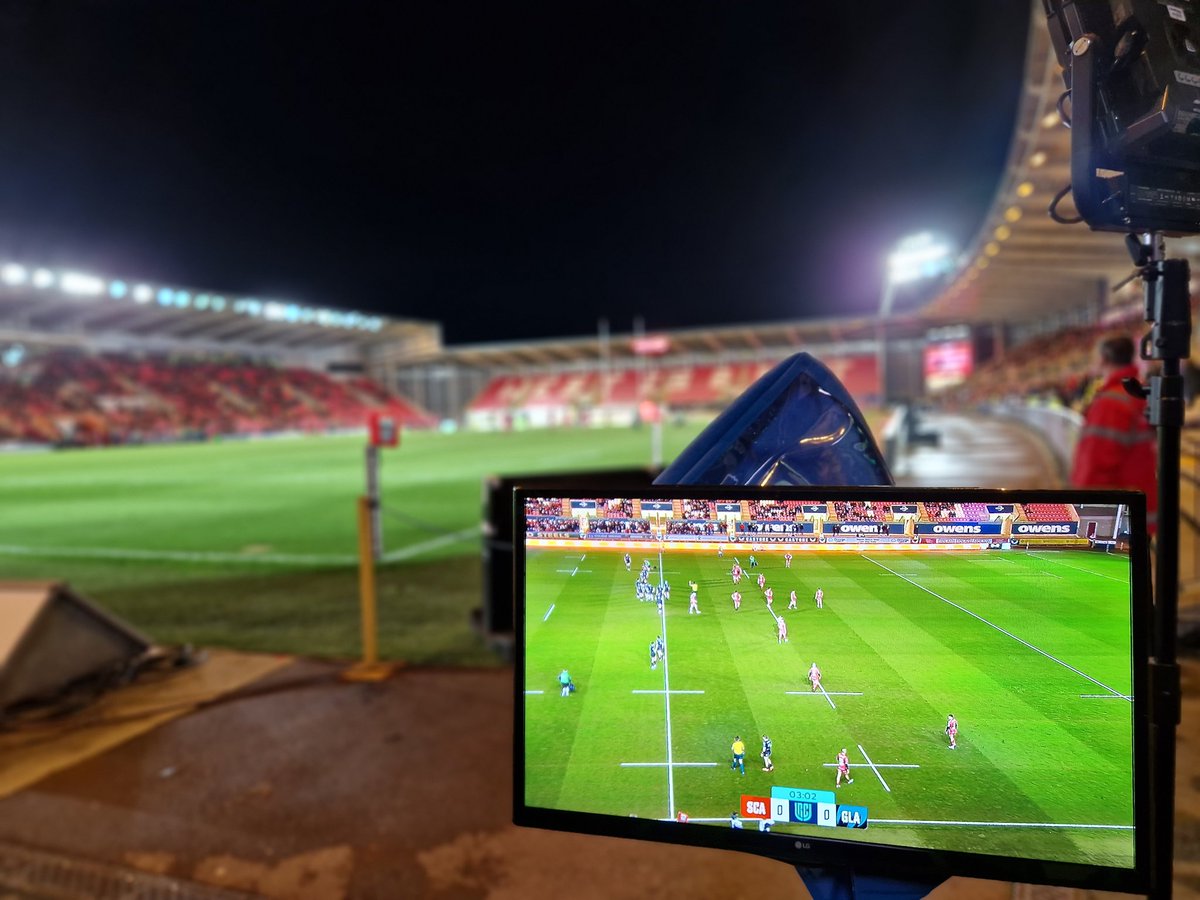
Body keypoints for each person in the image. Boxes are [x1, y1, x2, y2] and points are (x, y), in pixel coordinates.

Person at [1070, 334, 1158, 532]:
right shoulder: (1135, 393)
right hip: (1135, 504)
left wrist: (1084, 510)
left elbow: (1095, 465)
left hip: (1115, 513)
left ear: (1103, 358)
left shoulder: (1110, 403)